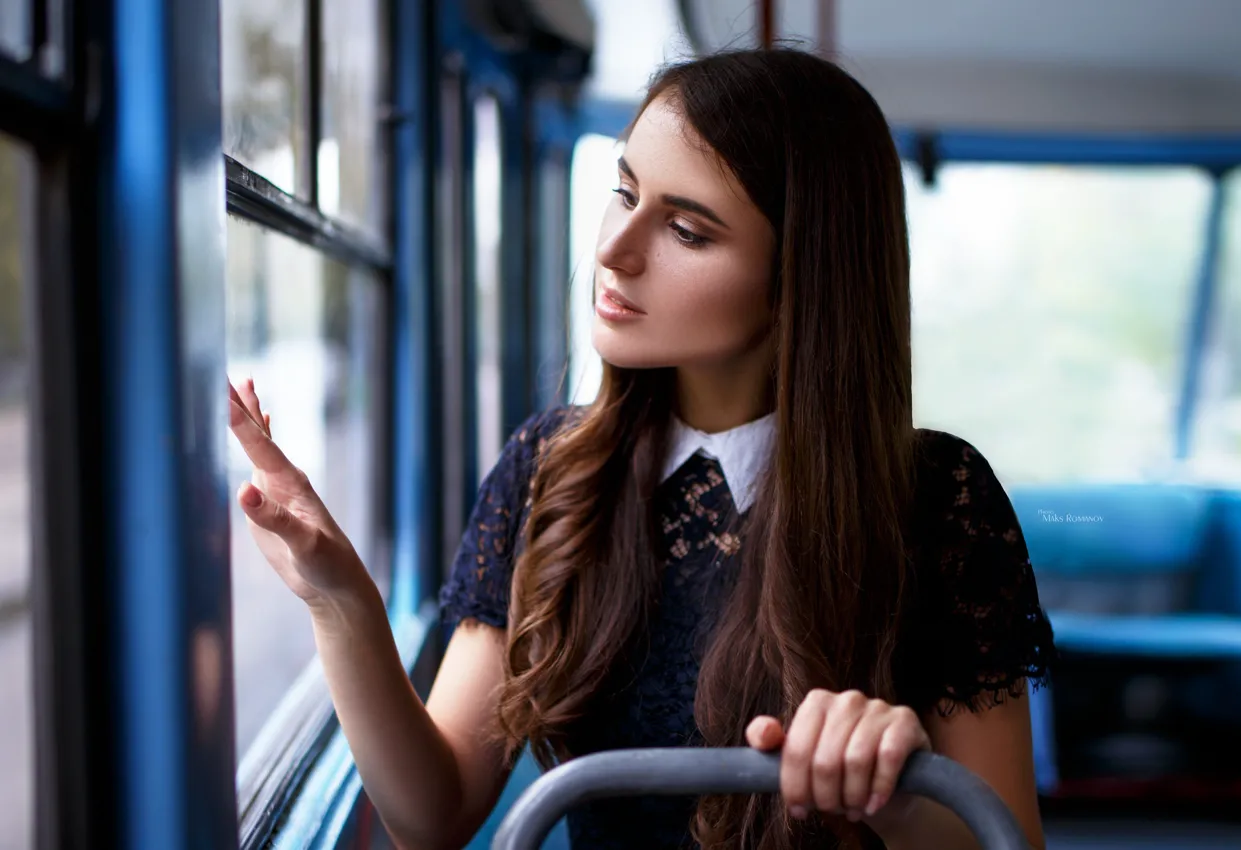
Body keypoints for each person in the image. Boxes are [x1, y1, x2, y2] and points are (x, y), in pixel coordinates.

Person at [228, 47, 1055, 850]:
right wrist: (341, 602)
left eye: (687, 231)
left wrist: (894, 795)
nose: (615, 251)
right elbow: (432, 815)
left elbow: (1004, 836)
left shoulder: (938, 497)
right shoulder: (548, 468)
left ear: (801, 280)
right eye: (623, 194)